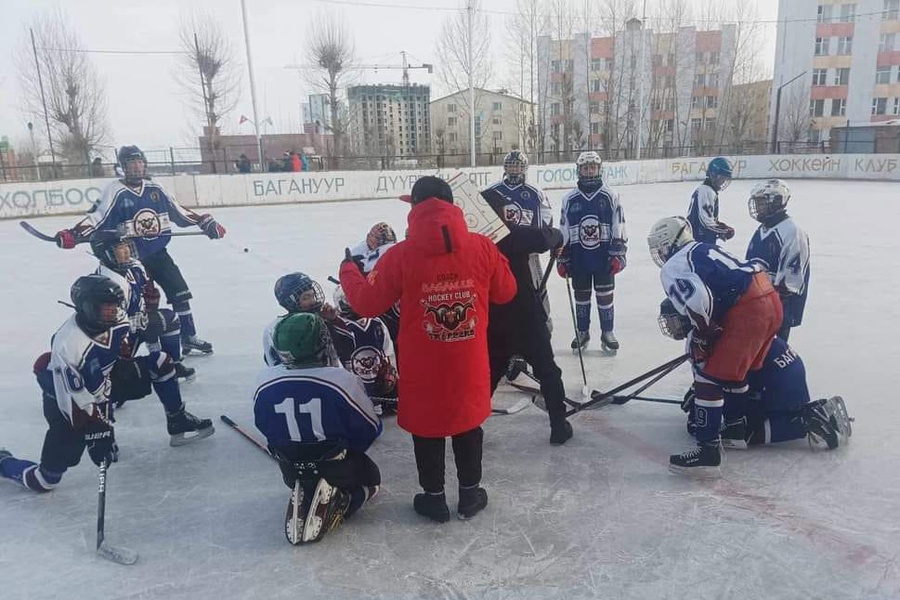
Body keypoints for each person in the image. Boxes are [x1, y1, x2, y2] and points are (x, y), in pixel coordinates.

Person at [339, 176, 517, 523]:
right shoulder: (481, 247)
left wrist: (349, 269)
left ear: (416, 208)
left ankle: (433, 498)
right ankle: (469, 495)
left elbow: (365, 302)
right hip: (468, 360)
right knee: (467, 424)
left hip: (423, 364)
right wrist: (497, 258)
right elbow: (506, 292)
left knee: (427, 429)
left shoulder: (400, 256)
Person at [0, 275, 213, 493]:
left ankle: (178, 420)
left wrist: (152, 309)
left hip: (107, 378)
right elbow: (77, 403)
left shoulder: (116, 317)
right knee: (46, 480)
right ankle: (3, 462)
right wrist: (97, 432)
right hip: (67, 400)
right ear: (87, 307)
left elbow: (137, 328)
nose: (113, 311)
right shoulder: (69, 345)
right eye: (106, 307)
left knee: (160, 363)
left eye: (114, 305)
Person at [53, 145, 226, 355]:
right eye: (131, 163)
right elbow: (96, 218)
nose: (136, 167)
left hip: (158, 253)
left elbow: (178, 211)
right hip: (130, 259)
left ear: (144, 164)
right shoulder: (114, 190)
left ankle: (188, 337)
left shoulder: (155, 188)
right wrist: (74, 233)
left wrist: (204, 222)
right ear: (123, 167)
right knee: (144, 304)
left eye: (139, 162)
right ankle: (150, 350)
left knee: (181, 294)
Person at [647, 216, 782, 476]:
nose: (660, 253)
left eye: (660, 246)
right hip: (769, 299)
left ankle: (708, 453)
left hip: (748, 309)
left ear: (669, 243)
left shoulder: (673, 265)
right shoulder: (703, 247)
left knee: (708, 375)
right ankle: (735, 429)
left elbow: (699, 298)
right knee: (736, 373)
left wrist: (704, 334)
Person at [253, 313, 382, 544]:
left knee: (302, 464)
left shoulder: (264, 380)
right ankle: (344, 499)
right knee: (372, 481)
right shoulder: (341, 380)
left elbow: (263, 424)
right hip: (338, 466)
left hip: (290, 469)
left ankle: (308, 487)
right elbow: (370, 428)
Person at [658, 299, 851, 450]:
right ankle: (797, 412)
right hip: (787, 373)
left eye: (673, 321)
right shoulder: (718, 321)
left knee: (730, 432)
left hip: (776, 385)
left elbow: (720, 379)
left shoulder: (700, 340)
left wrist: (701, 402)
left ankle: (803, 422)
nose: (671, 327)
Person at [480, 183, 573, 445]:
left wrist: (554, 239)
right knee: (547, 372)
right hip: (526, 317)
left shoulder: (473, 243)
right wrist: (558, 239)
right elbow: (548, 236)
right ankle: (558, 425)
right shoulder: (514, 235)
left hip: (494, 322)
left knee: (488, 376)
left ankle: (471, 429)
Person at [91, 229, 195, 382]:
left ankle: (172, 364)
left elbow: (146, 294)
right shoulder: (103, 282)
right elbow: (106, 323)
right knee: (117, 381)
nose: (127, 251)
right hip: (119, 333)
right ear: (105, 253)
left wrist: (151, 303)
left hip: (139, 322)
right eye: (120, 248)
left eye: (127, 246)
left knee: (168, 318)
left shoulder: (136, 267)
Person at [558, 150, 627, 353]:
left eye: (593, 167)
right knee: (581, 296)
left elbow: (619, 224)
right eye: (585, 168)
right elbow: (564, 229)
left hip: (603, 256)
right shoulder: (569, 199)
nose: (589, 171)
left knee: (605, 296)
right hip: (580, 257)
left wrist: (618, 253)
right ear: (579, 171)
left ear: (599, 169)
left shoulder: (610, 195)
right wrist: (563, 257)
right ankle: (582, 331)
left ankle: (607, 332)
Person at [745, 179, 810, 342]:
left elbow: (790, 283)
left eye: (761, 202)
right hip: (759, 303)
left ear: (776, 201)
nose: (757, 207)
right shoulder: (763, 229)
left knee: (772, 353)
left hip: (777, 309)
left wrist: (765, 303)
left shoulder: (792, 232)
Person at [332, 286, 398, 415]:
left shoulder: (376, 322)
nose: (355, 303)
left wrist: (392, 374)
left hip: (381, 386)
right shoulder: (337, 327)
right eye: (348, 300)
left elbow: (388, 353)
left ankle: (385, 401)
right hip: (355, 391)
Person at [263, 272, 342, 368]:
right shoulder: (274, 330)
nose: (313, 301)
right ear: (290, 301)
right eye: (306, 297)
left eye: (313, 295)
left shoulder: (323, 320)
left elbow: (347, 349)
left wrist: (334, 321)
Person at [686, 156, 735, 244]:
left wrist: (720, 227)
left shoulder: (707, 190)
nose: (723, 182)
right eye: (722, 178)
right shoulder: (706, 191)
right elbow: (706, 223)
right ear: (713, 175)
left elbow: (709, 219)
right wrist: (723, 230)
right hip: (699, 241)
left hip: (701, 240)